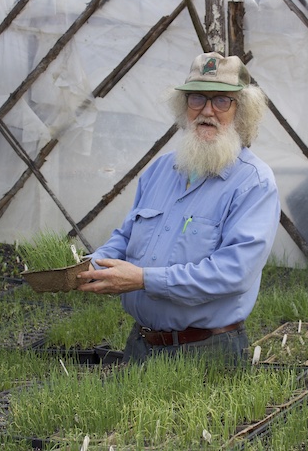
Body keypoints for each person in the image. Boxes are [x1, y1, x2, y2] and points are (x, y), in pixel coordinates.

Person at [77, 52, 280, 364]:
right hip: (141, 346)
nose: (207, 111)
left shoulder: (253, 183)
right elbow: (127, 235)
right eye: (197, 98)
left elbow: (232, 273)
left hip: (207, 352)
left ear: (241, 111)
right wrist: (90, 266)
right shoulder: (161, 170)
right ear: (184, 106)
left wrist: (143, 279)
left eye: (222, 101)